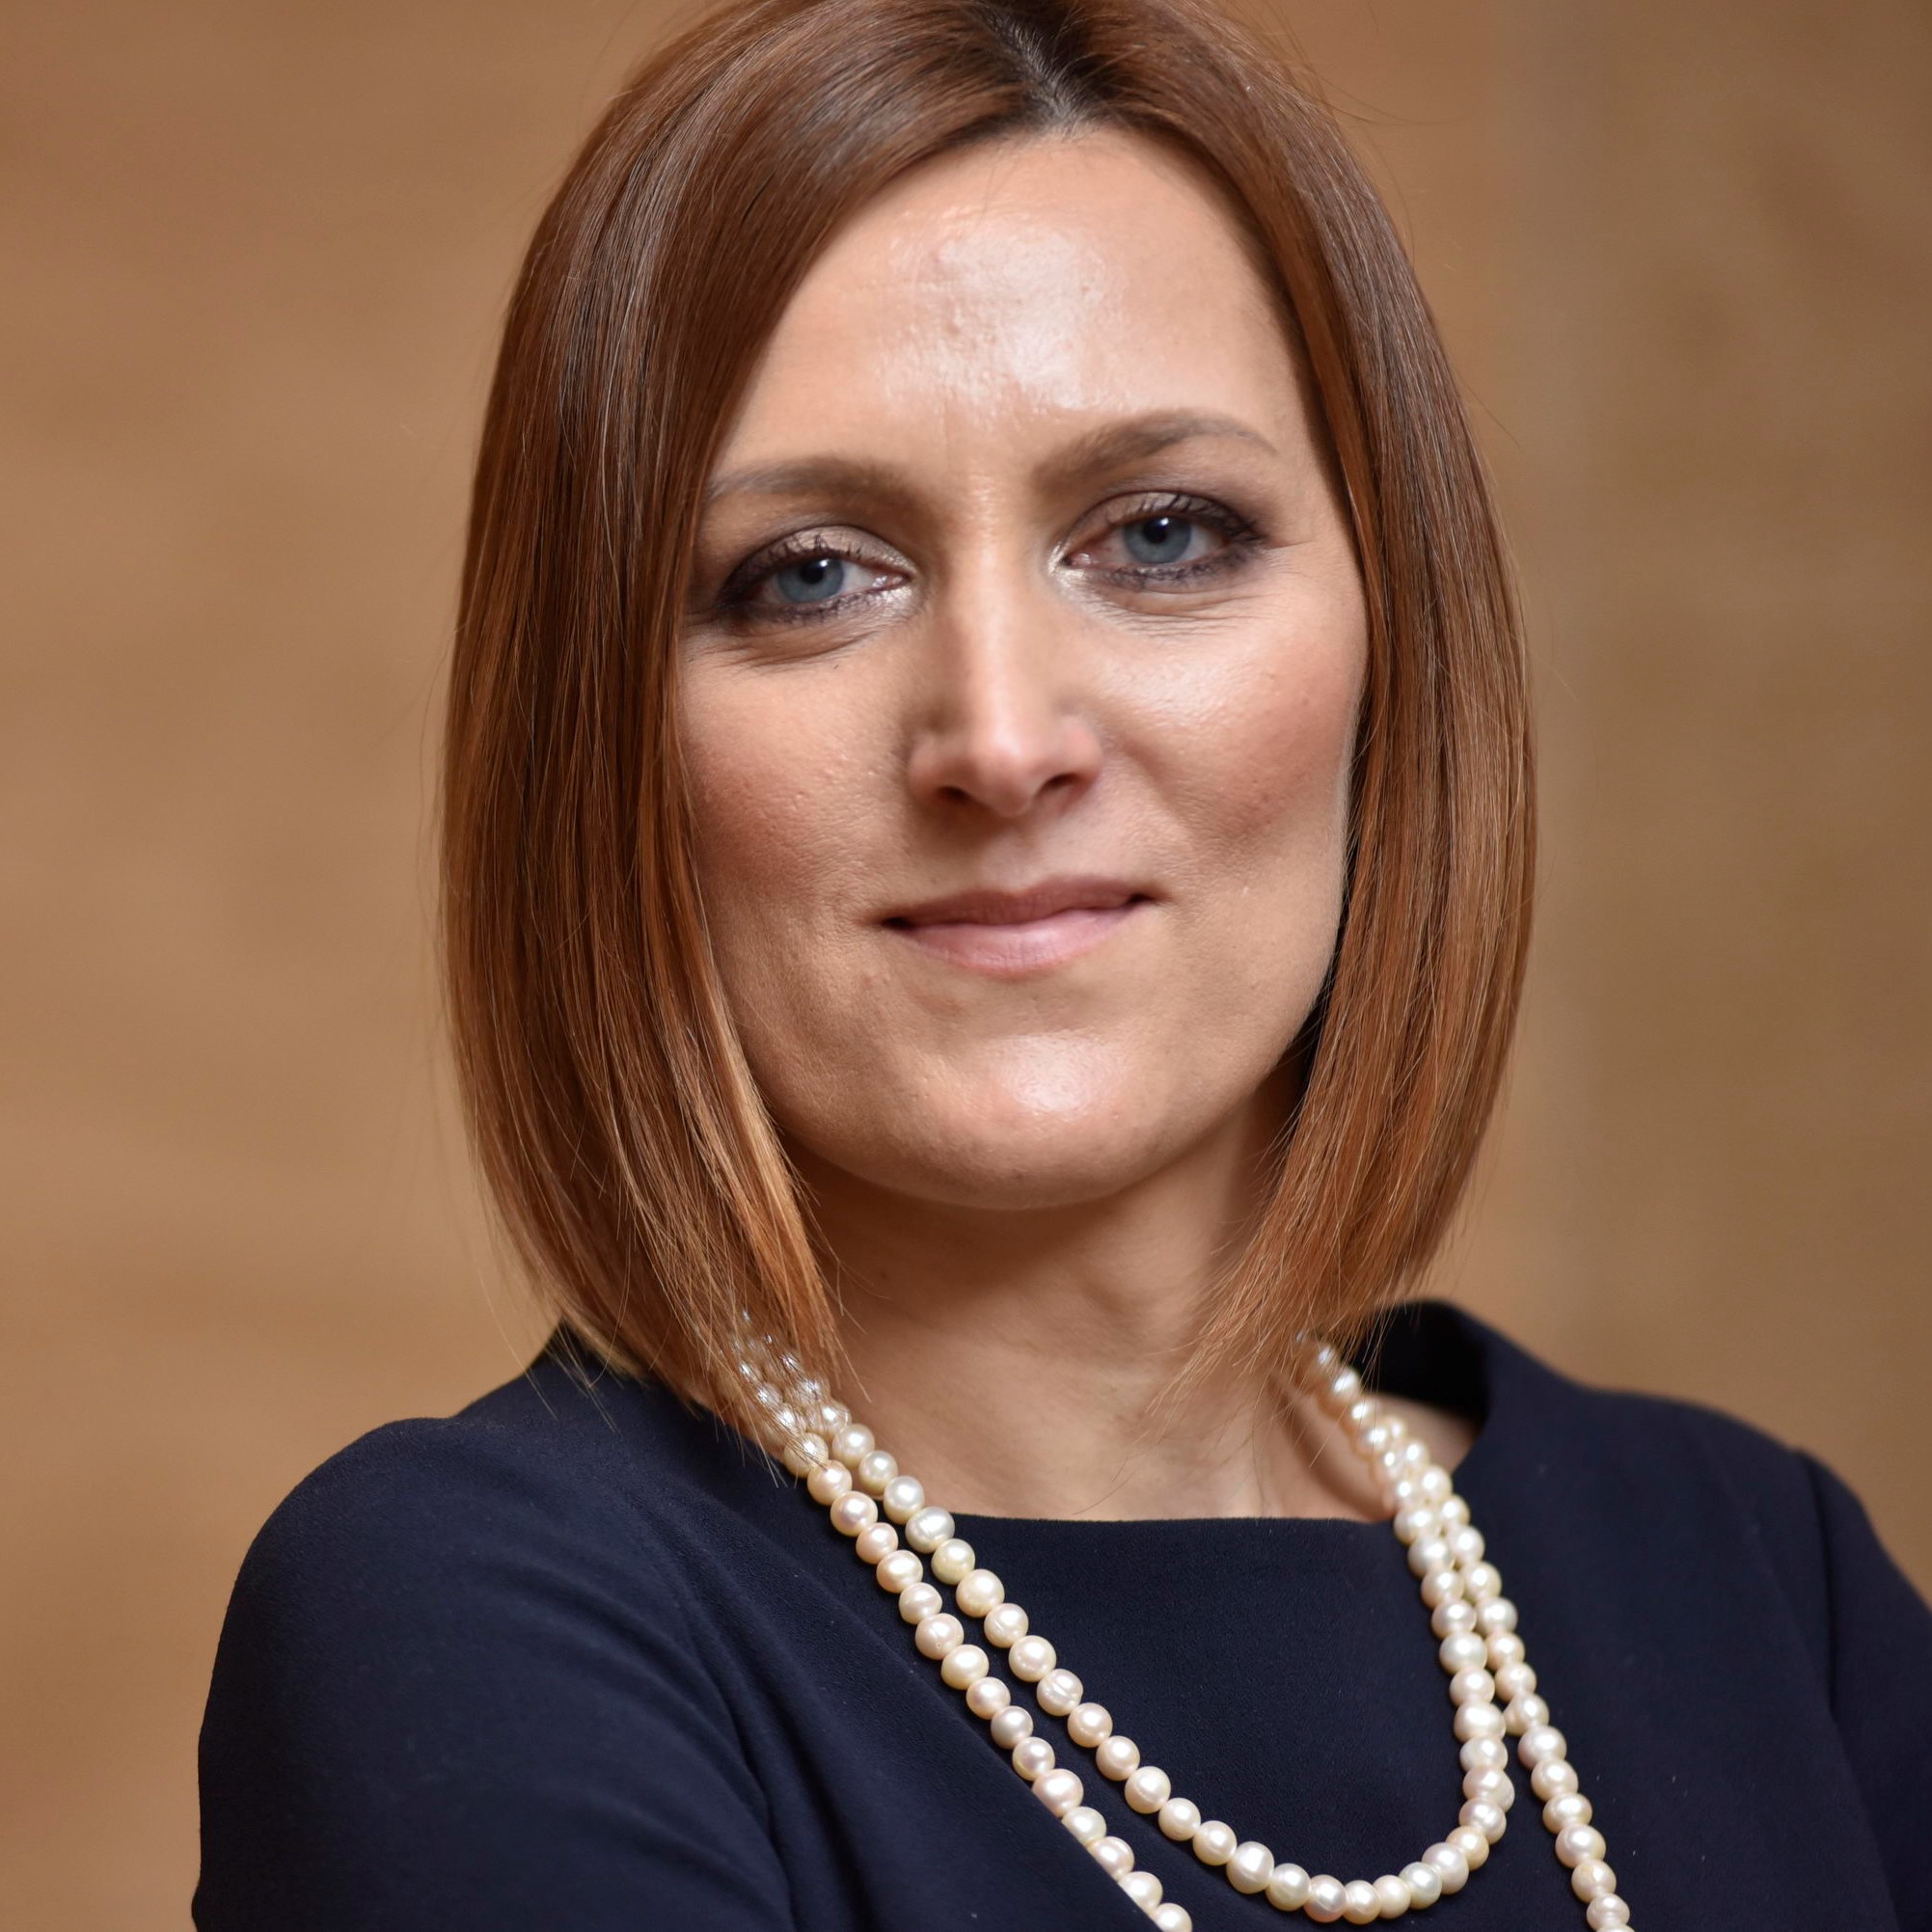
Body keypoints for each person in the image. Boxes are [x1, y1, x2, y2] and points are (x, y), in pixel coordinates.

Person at [191, 0, 1932, 1925]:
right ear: (599, 742)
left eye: (1163, 536)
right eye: (810, 573)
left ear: (1394, 642)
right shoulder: (465, 1624)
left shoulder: (1758, 1581)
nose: (1003, 740)